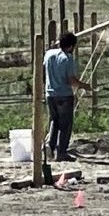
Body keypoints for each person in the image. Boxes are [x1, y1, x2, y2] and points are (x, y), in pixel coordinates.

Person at [44, 31, 82, 161]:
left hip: (50, 93)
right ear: (71, 46)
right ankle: (61, 152)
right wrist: (84, 85)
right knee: (65, 125)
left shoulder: (48, 54)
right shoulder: (67, 58)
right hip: (64, 95)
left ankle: (50, 146)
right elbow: (71, 80)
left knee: (54, 121)